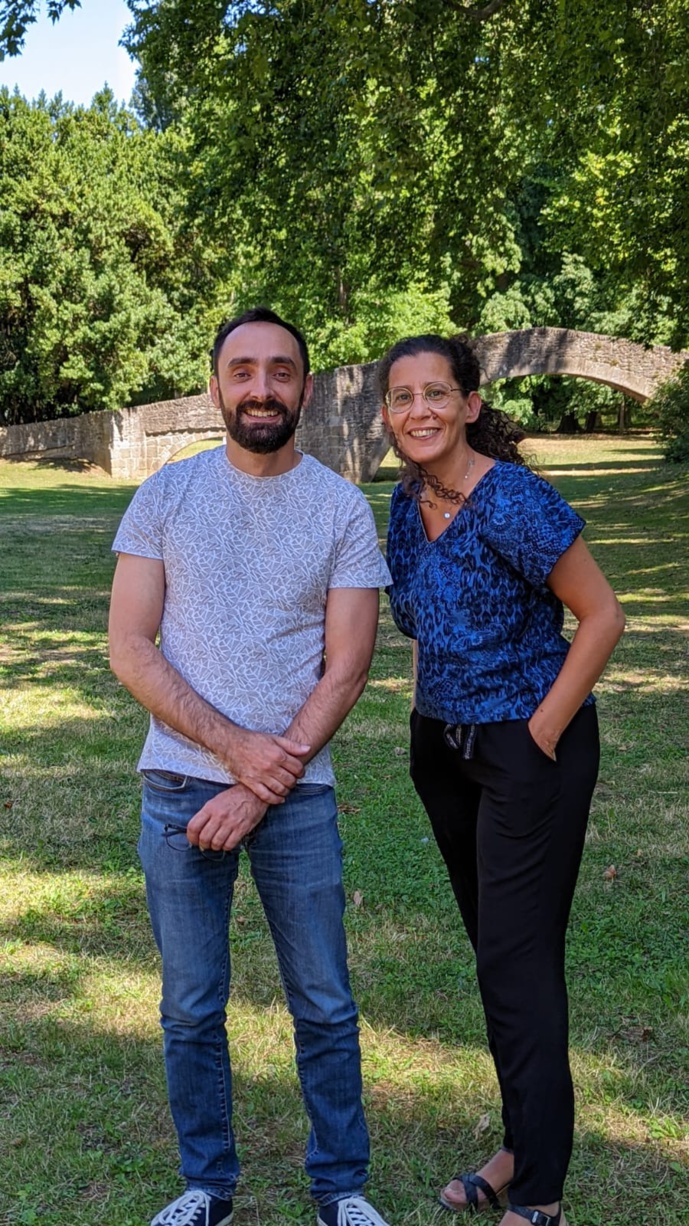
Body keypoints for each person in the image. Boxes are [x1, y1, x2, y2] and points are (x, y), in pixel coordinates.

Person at [109, 307, 393, 1226]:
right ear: (216, 387)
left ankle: (340, 1189)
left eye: (280, 370)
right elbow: (129, 646)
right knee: (190, 1006)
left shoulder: (340, 506)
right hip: (177, 789)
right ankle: (205, 1186)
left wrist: (263, 781)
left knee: (323, 1002)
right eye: (243, 371)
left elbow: (347, 666)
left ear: (305, 388)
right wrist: (236, 758)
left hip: (299, 796)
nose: (261, 387)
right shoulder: (165, 495)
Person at [379, 333, 625, 1226]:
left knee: (517, 969)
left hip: (528, 750)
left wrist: (541, 729)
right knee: (500, 961)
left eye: (436, 393)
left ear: (470, 405)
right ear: (386, 414)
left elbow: (602, 617)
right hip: (441, 752)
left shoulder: (514, 500)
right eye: (401, 397)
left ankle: (540, 1193)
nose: (419, 411)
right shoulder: (408, 504)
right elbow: (425, 622)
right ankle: (522, 1141)